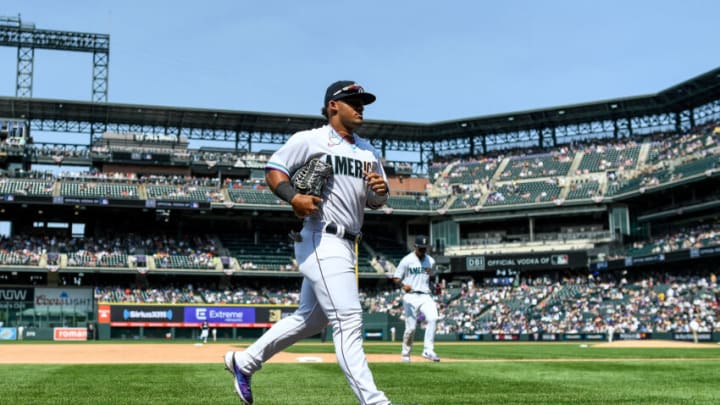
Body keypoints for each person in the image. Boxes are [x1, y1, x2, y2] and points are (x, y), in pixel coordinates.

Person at [224, 81, 394, 405]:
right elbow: (275, 169)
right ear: (333, 105)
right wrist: (293, 197)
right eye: (353, 101)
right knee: (348, 320)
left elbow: (375, 201)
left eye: (363, 102)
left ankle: (244, 362)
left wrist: (380, 191)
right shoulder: (311, 139)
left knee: (311, 319)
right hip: (321, 236)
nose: (361, 107)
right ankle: (376, 403)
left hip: (349, 243)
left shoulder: (368, 151)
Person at [392, 235, 440, 363]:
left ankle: (428, 350)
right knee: (411, 328)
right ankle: (405, 355)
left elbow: (431, 275)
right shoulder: (406, 260)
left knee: (433, 318)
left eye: (425, 248)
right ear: (415, 247)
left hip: (425, 295)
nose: (423, 250)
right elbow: (396, 277)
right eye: (420, 248)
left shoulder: (431, 261)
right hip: (410, 296)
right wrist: (403, 285)